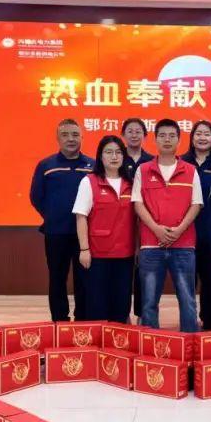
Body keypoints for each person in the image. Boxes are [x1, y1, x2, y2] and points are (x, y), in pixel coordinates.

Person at [133, 119, 204, 332]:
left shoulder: (190, 170)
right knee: (149, 302)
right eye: (162, 135)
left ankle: (190, 345)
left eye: (172, 136)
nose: (167, 140)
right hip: (151, 245)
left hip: (183, 245)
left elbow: (196, 204)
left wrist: (179, 230)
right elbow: (137, 204)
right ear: (155, 140)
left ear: (179, 140)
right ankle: (151, 344)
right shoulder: (143, 170)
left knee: (187, 300)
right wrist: (156, 229)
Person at [29, 119, 94, 321]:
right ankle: (60, 320)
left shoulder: (93, 165)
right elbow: (36, 197)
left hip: (85, 235)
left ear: (82, 137)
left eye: (75, 134)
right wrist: (52, 215)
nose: (70, 139)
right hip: (55, 233)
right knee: (57, 278)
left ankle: (83, 319)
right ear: (58, 138)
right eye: (65, 135)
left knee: (84, 279)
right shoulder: (46, 165)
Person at [73, 135, 135, 324]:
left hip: (124, 254)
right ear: (100, 156)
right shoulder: (89, 181)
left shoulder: (131, 183)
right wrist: (84, 249)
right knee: (97, 305)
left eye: (118, 152)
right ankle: (97, 342)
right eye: (108, 152)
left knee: (121, 304)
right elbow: (81, 216)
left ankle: (118, 341)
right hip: (97, 254)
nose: (114, 156)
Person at [181, 121, 211, 331]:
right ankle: (188, 320)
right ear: (192, 138)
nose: (202, 138)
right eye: (198, 134)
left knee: (210, 279)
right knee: (186, 280)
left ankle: (209, 321)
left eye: (206, 134)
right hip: (184, 231)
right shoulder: (182, 162)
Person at [120, 118, 154, 325]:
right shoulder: (116, 157)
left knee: (144, 269)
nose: (134, 135)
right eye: (130, 131)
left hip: (146, 220)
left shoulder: (151, 161)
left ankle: (142, 313)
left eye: (138, 131)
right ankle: (122, 312)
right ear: (123, 135)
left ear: (145, 135)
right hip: (121, 220)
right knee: (123, 270)